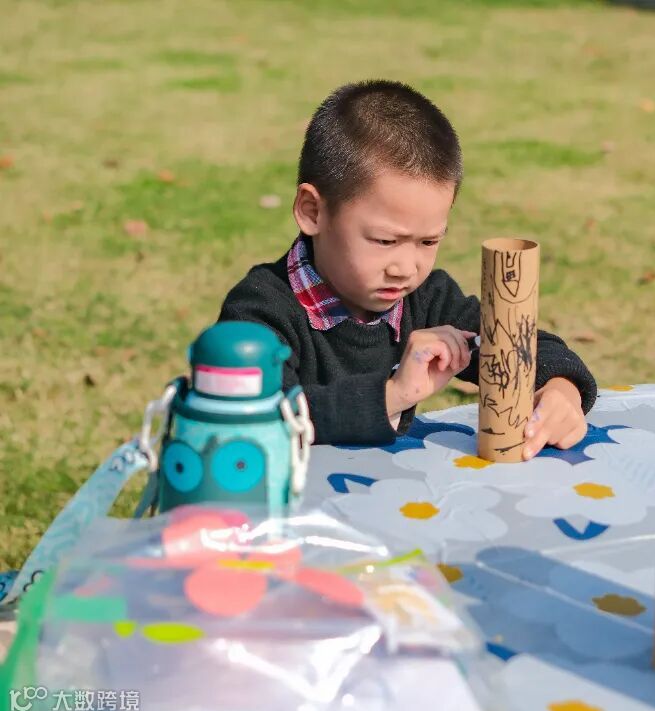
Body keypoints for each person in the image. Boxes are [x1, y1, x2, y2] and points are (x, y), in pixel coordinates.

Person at [219, 80, 596, 459]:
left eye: (428, 242)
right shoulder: (258, 315)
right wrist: (394, 394)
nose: (405, 269)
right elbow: (254, 421)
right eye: (385, 241)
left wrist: (562, 389)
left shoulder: (427, 299)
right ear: (312, 211)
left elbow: (526, 346)